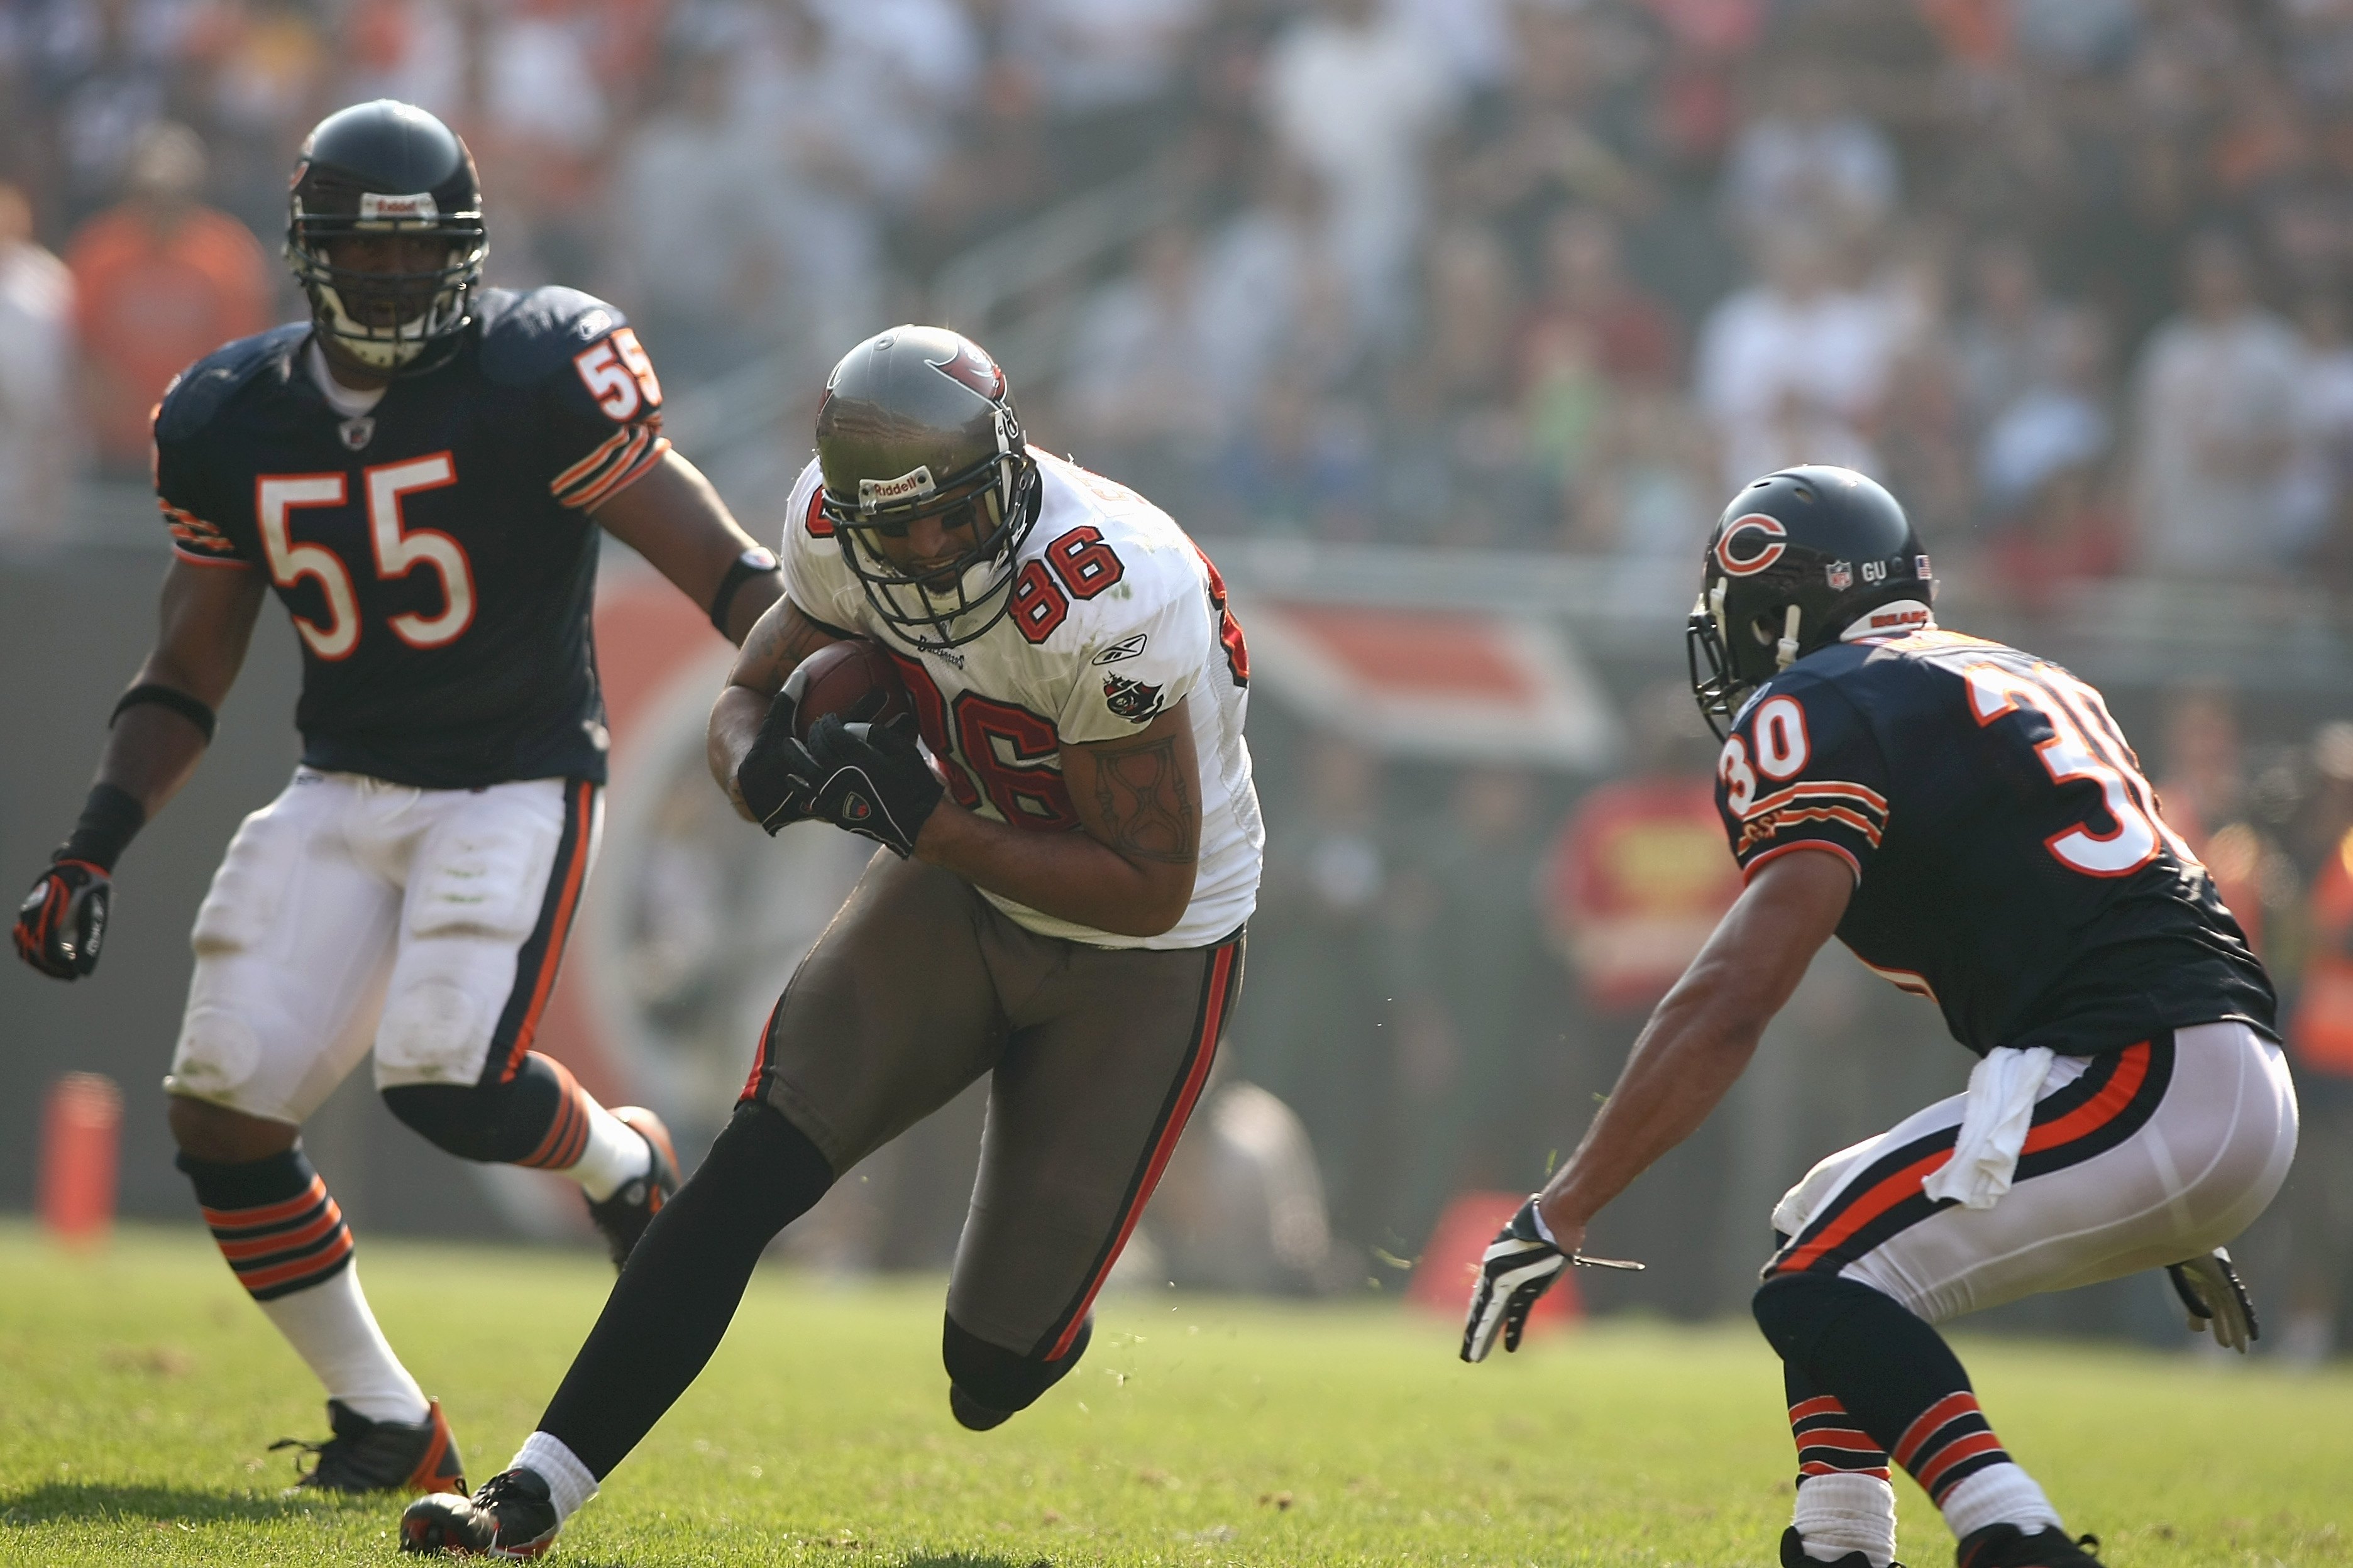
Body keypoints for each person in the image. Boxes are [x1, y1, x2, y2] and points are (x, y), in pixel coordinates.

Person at [9, 100, 787, 1495]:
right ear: (306, 255)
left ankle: (620, 1157)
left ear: (467, 255)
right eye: (358, 260)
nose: (385, 284)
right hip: (342, 783)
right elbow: (188, 669)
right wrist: (92, 846)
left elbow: (720, 566)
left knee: (445, 1078)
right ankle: (383, 1418)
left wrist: (812, 670)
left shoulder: (540, 369)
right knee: (220, 1113)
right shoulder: (231, 416)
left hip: (512, 775)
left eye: (411, 257)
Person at [399, 324, 1262, 1558]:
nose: (922, 550)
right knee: (756, 1164)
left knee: (989, 1373)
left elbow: (1144, 885)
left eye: (950, 518)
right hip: (960, 889)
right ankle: (528, 1498)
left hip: (1144, 947)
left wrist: (927, 820)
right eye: (892, 528)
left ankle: (1048, 1278)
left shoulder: (1112, 593)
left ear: (1010, 474)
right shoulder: (827, 527)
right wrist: (771, 777)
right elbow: (745, 699)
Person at [1460, 466, 2296, 1568]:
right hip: (2210, 1072)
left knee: (1816, 1284)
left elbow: (1731, 998)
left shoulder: (1827, 699)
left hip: (2140, 1078)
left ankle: (2015, 1532)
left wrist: (1565, 1206)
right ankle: (1839, 1540)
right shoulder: (2028, 675)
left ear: (1784, 607)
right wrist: (2195, 1184)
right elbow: (2167, 915)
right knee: (1816, 1227)